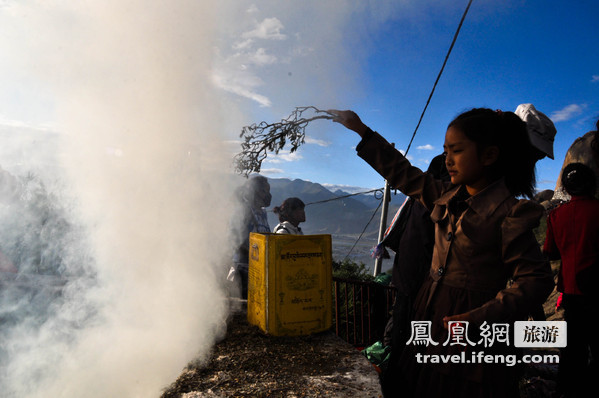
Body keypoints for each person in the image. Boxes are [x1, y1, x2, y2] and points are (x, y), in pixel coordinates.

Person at [330, 108, 554, 398]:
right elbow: (403, 173)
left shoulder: (510, 214)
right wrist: (362, 131)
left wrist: (480, 318)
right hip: (428, 315)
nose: (447, 160)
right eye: (446, 150)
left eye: (457, 150)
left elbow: (536, 280)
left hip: (470, 335)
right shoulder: (444, 196)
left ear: (489, 156)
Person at [543, 162, 599, 398]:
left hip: (571, 289)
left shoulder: (556, 215)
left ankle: (566, 390)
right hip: (596, 288)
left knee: (572, 346)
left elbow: (551, 252)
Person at [229, 175, 272, 299]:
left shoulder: (262, 213)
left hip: (258, 270)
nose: (268, 195)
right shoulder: (244, 211)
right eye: (266, 191)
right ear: (255, 191)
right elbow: (238, 241)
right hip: (243, 272)